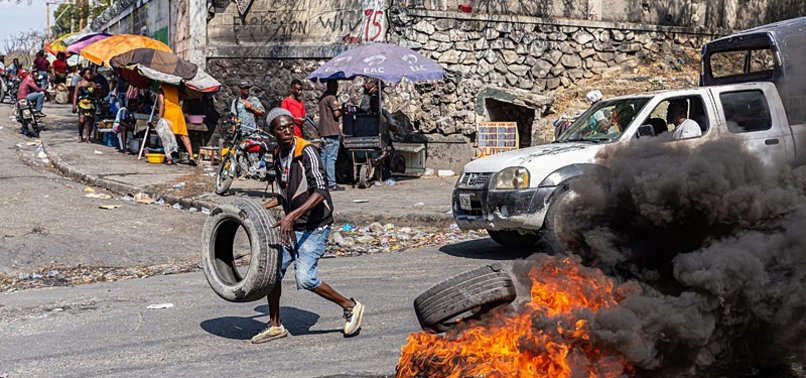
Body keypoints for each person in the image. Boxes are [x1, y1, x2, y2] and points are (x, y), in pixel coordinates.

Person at [253, 108, 365, 344]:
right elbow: (288, 190)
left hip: (314, 226)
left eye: (289, 126)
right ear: (272, 132)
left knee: (305, 278)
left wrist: (291, 216)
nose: (287, 131)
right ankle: (275, 325)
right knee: (272, 273)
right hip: (292, 226)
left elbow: (320, 192)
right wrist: (263, 207)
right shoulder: (277, 153)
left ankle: (350, 306)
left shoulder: (306, 151)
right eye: (280, 128)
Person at [157, 84, 197, 166]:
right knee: (184, 135)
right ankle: (191, 156)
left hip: (168, 114)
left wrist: (160, 117)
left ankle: (169, 159)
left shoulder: (161, 90)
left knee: (167, 136)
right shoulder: (175, 88)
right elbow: (183, 96)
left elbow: (162, 103)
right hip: (178, 113)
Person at [317, 81, 344, 191]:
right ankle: (332, 183)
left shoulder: (322, 98)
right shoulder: (332, 98)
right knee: (331, 158)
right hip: (332, 131)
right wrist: (343, 109)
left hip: (323, 131)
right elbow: (336, 114)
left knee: (324, 157)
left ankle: (324, 182)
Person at [72, 68, 100, 143]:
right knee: (82, 120)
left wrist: (99, 106)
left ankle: (88, 137)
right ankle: (80, 135)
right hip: (82, 103)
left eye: (90, 74)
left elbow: (97, 96)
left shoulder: (93, 84)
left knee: (90, 121)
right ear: (84, 74)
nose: (89, 75)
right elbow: (75, 95)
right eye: (87, 73)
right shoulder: (79, 83)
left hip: (91, 104)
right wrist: (74, 105)